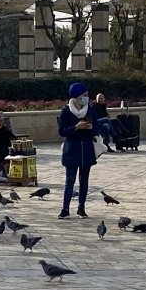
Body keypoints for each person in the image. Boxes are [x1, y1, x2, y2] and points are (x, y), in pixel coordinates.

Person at [58, 82, 99, 220]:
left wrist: (90, 128)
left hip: (86, 150)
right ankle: (65, 208)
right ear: (76, 97)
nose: (87, 98)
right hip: (72, 150)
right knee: (70, 180)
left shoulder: (91, 110)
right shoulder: (66, 111)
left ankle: (81, 208)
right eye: (84, 95)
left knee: (84, 181)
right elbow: (62, 131)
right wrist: (76, 127)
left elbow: (97, 129)